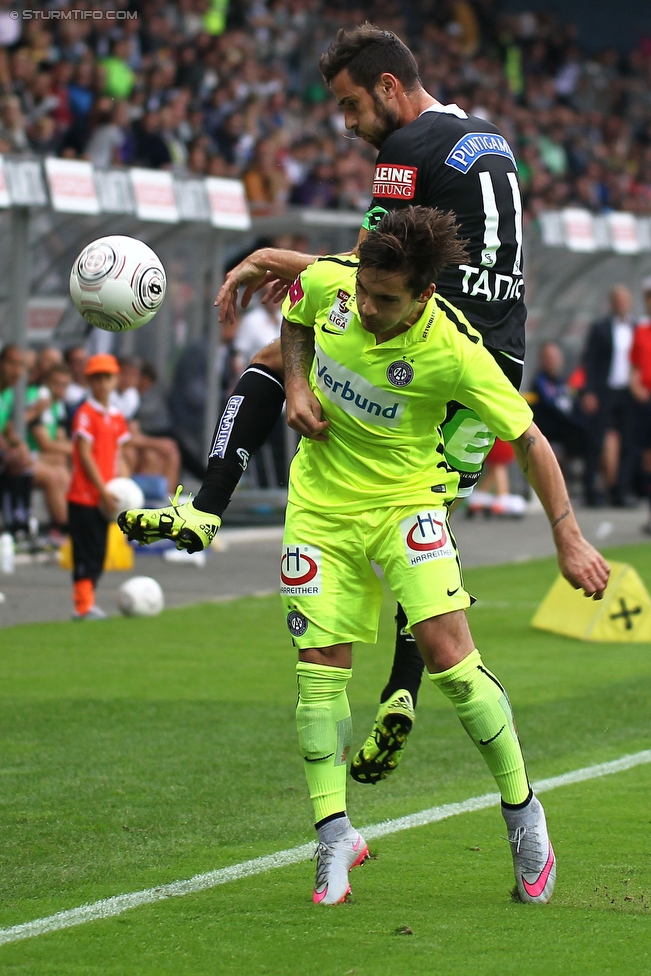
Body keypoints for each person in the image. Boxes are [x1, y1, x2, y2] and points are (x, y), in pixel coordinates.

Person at [120, 24, 531, 783]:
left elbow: (382, 269)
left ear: (387, 87)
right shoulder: (489, 136)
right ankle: (402, 692)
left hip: (433, 337)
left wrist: (292, 262)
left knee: (273, 359)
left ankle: (208, 503)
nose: (346, 124)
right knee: (424, 523)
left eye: (349, 105)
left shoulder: (403, 149)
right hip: (497, 361)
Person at [279, 207, 608, 905]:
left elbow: (528, 439)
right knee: (319, 675)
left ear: (423, 295)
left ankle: (522, 814)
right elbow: (297, 316)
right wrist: (297, 383)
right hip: (319, 507)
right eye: (364, 290)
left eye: (385, 299)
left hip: (406, 505)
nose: (366, 307)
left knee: (449, 660)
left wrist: (567, 534)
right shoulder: (334, 285)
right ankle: (333, 834)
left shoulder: (454, 349)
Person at [67, 354, 130, 620]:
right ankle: (83, 606)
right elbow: (84, 453)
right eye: (97, 378)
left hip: (104, 498)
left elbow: (121, 456)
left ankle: (87, 602)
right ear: (88, 381)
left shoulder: (116, 417)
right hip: (84, 495)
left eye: (107, 377)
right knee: (85, 553)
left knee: (98, 553)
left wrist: (124, 487)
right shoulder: (85, 414)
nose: (102, 383)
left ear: (115, 380)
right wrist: (103, 490)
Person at [581, 285, 637, 507]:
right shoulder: (601, 328)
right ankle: (590, 490)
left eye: (625, 299)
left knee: (629, 443)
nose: (621, 304)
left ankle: (620, 491)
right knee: (596, 441)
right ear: (612, 303)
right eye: (617, 300)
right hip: (605, 391)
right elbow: (590, 362)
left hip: (628, 392)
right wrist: (589, 391)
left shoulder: (637, 327)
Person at [629, 277, 651, 533]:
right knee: (647, 458)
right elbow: (634, 368)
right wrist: (636, 388)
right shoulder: (641, 331)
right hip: (647, 401)